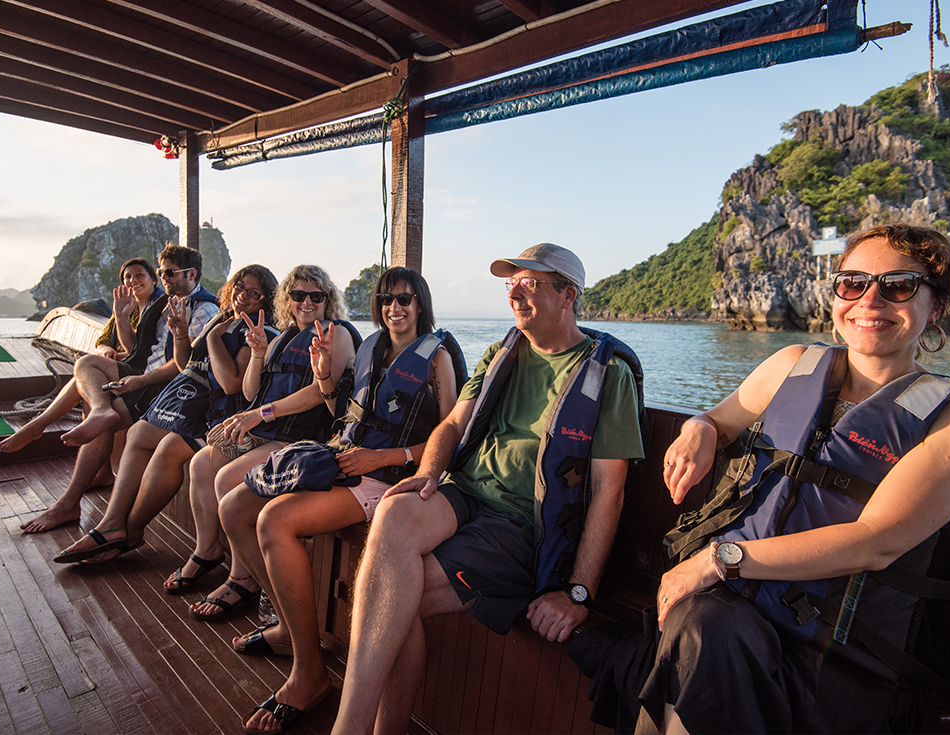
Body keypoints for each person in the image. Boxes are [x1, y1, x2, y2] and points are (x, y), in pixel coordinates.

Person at [642, 224, 950, 734]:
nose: (870, 299)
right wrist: (698, 428)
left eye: (898, 285)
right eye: (852, 283)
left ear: (936, 306)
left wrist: (719, 559)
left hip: (839, 649)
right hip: (734, 606)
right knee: (701, 626)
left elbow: (876, 542)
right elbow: (716, 421)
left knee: (701, 630)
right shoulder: (792, 364)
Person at [331, 244, 647, 734]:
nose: (515, 294)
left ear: (568, 294)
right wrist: (429, 472)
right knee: (393, 516)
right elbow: (454, 424)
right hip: (463, 492)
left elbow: (610, 492)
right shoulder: (501, 352)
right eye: (511, 284)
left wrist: (579, 592)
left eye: (530, 283)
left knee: (390, 602)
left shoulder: (608, 376)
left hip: (520, 522)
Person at [233, 268, 462, 734]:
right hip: (343, 459)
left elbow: (452, 439)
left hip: (384, 476)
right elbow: (343, 412)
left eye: (405, 299)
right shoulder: (371, 349)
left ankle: (308, 671)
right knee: (236, 505)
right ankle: (293, 633)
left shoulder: (436, 359)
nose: (395, 308)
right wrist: (323, 379)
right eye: (387, 300)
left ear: (421, 304)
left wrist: (386, 455)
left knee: (273, 521)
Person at [166, 265, 356, 622]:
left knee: (227, 478)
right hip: (270, 431)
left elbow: (320, 392)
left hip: (302, 438)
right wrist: (257, 353)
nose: (307, 303)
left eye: (317, 296)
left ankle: (243, 577)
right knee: (203, 463)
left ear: (328, 301)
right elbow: (252, 392)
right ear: (287, 299)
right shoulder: (282, 338)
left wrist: (259, 416)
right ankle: (208, 549)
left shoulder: (337, 334)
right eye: (298, 295)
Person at [52, 265, 277, 563]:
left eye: (253, 292)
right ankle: (112, 521)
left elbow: (232, 384)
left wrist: (211, 339)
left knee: (169, 448)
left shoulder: (253, 331)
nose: (243, 295)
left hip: (219, 414)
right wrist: (181, 335)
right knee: (138, 432)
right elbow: (187, 365)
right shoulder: (223, 319)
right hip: (195, 404)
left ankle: (128, 531)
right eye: (239, 286)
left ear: (266, 301)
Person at [0, 244, 219, 533]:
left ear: (190, 274)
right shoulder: (167, 303)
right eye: (162, 272)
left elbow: (185, 365)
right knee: (86, 367)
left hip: (164, 386)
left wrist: (141, 380)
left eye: (167, 273)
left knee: (99, 408)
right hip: (147, 374)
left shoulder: (203, 310)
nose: (164, 278)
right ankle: (73, 430)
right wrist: (120, 315)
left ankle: (71, 499)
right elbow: (139, 349)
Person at [93, 257, 163, 359]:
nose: (133, 280)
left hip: (144, 365)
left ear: (153, 280)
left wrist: (116, 357)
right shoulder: (125, 304)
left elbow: (150, 350)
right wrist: (106, 350)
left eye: (139, 275)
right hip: (118, 360)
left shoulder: (163, 305)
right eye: (128, 277)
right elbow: (103, 340)